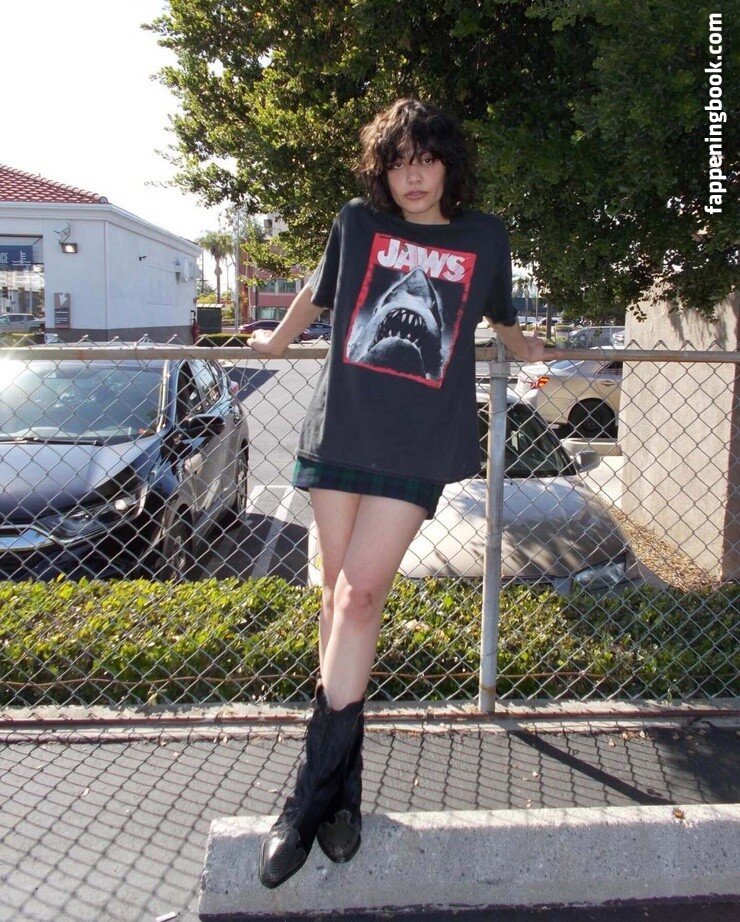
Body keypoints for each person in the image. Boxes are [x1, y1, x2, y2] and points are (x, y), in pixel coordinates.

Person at [248, 97, 551, 889]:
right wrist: (272, 343)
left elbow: (503, 317)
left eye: (425, 159)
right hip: (342, 427)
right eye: (397, 162)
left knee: (359, 598)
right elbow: (316, 294)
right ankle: (342, 800)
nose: (411, 176)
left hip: (416, 442)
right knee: (333, 599)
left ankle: (303, 802)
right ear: (380, 172)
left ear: (449, 164)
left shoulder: (485, 236)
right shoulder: (357, 223)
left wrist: (532, 349)